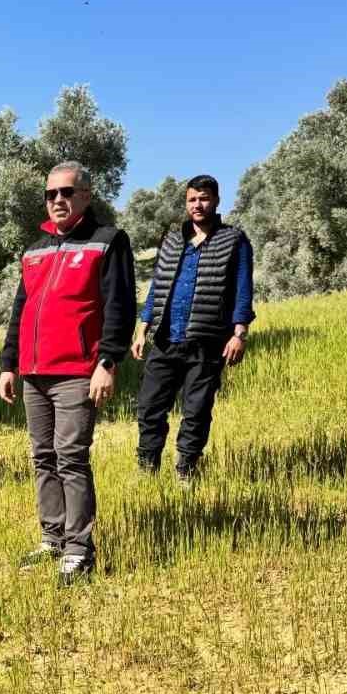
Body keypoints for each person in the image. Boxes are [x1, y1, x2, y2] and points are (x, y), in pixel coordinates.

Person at [0, 163, 136, 584]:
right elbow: (21, 310)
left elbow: (120, 306)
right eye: (50, 194)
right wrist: (9, 363)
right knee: (42, 457)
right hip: (34, 373)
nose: (57, 200)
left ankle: (79, 548)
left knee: (71, 457)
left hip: (79, 370)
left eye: (66, 192)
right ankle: (52, 539)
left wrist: (108, 362)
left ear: (85, 196)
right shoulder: (35, 250)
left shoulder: (107, 242)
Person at [132, 175, 254, 484]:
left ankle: (186, 470)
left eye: (203, 199)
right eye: (191, 200)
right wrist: (142, 327)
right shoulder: (173, 240)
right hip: (165, 338)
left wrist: (239, 333)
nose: (197, 205)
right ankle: (148, 469)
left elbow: (243, 290)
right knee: (149, 408)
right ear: (186, 203)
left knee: (196, 410)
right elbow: (158, 286)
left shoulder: (234, 240)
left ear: (215, 201)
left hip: (207, 341)